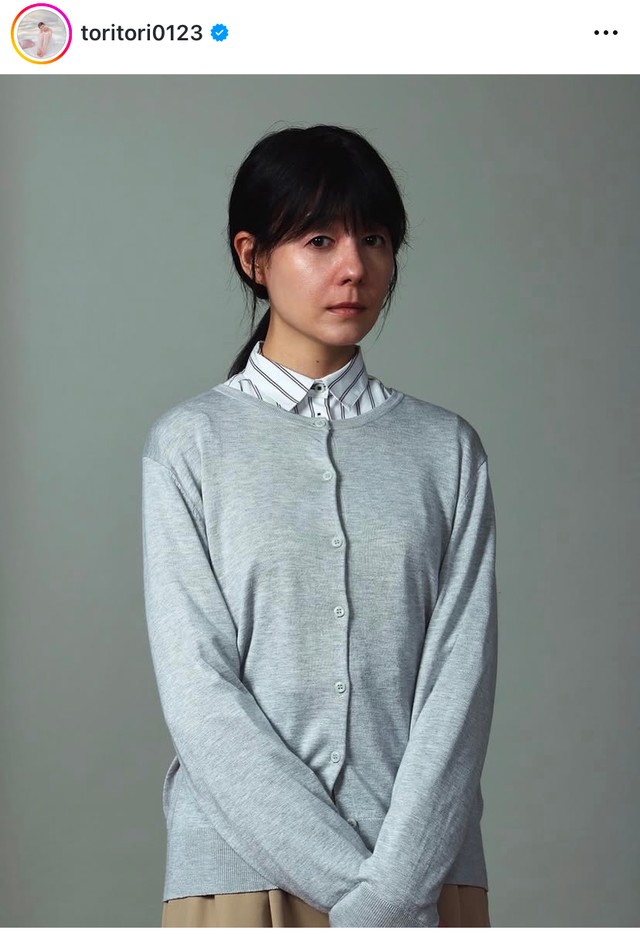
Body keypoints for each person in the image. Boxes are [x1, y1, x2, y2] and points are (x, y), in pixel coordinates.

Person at [142, 124, 499, 927]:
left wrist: (396, 888)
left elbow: (461, 687)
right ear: (252, 256)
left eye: (375, 239)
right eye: (319, 240)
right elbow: (200, 693)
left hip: (421, 873)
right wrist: (358, 892)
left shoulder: (446, 450)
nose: (354, 268)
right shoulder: (190, 446)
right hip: (238, 872)